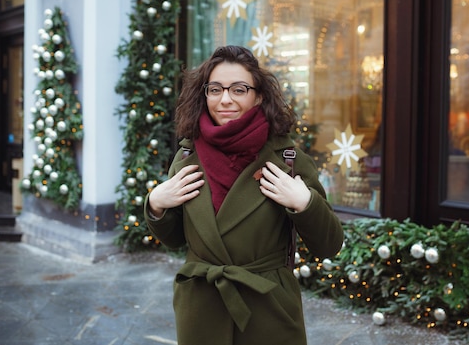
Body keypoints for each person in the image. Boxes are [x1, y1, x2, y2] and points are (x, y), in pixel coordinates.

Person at [145, 45, 344, 345]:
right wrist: (156, 205)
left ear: (259, 95)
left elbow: (329, 245)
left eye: (239, 89)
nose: (225, 99)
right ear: (205, 94)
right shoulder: (187, 154)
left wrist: (305, 204)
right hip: (201, 310)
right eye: (215, 89)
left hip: (268, 310)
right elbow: (176, 239)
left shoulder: (287, 159)